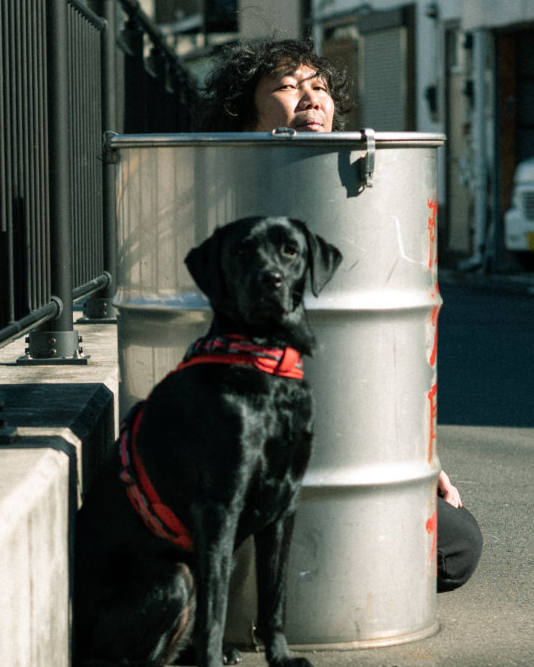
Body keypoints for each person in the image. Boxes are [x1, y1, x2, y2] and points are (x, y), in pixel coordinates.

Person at [201, 37, 483, 594]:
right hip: (253, 449)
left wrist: (417, 457)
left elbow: (381, 356)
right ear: (243, 112)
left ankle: (335, 564)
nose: (310, 98)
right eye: (287, 87)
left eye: (320, 87)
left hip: (348, 449)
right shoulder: (221, 193)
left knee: (458, 545)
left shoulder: (353, 190)